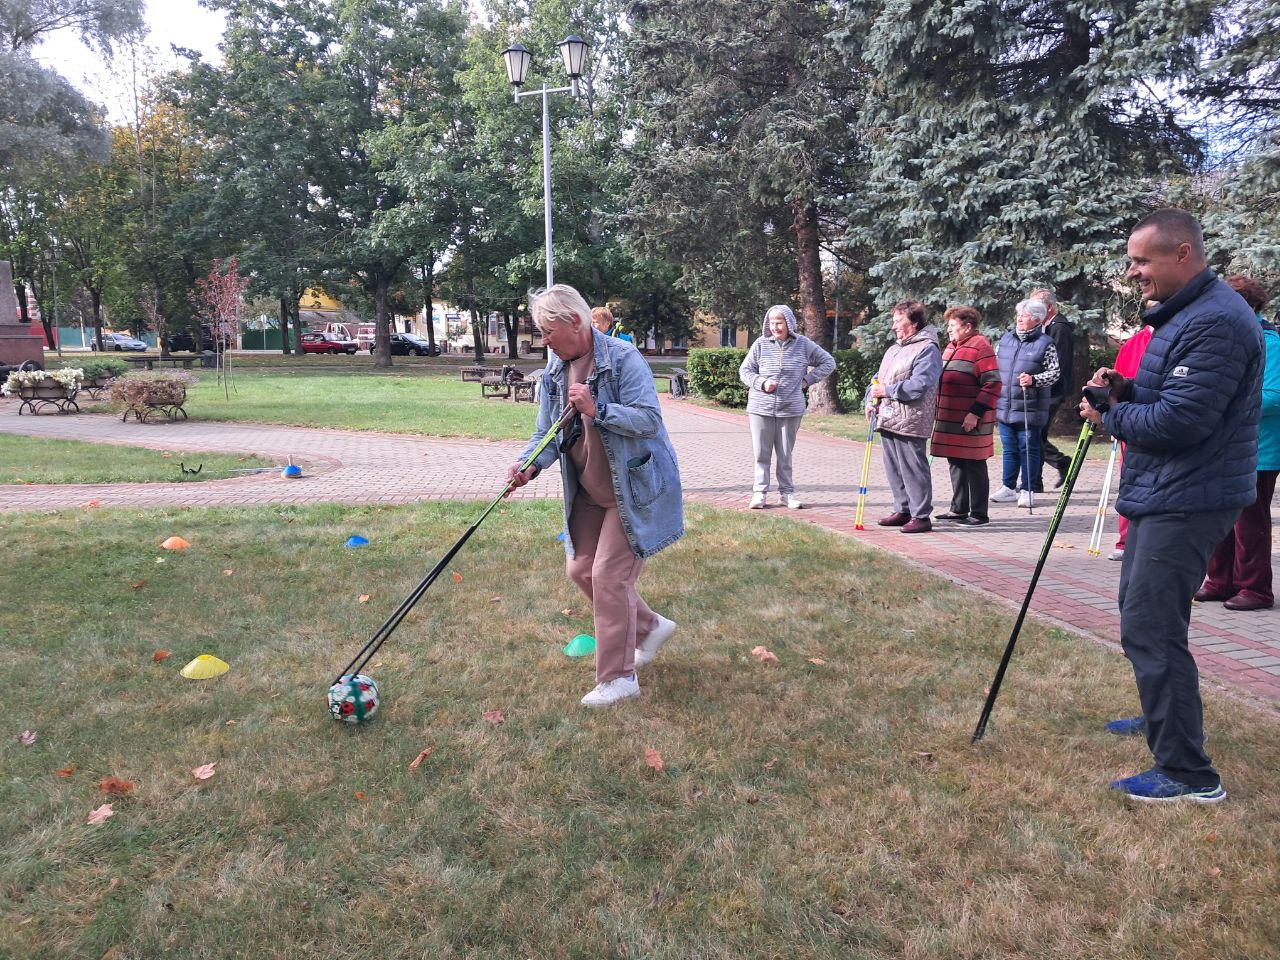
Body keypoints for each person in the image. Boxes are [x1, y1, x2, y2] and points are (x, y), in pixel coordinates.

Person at [1080, 209, 1263, 804]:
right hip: (1170, 489)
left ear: (1182, 253)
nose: (1133, 272)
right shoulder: (1189, 311)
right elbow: (1172, 396)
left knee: (1151, 625)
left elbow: (1180, 422)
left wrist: (1111, 414)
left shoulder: (1215, 321)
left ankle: (1189, 774)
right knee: (1145, 615)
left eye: (1142, 260)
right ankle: (1164, 714)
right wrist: (1126, 390)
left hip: (1189, 495)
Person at [507, 284, 683, 708]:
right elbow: (546, 431)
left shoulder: (623, 359)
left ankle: (619, 678)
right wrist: (529, 464)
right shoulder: (555, 368)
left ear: (574, 322)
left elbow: (648, 421)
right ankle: (649, 627)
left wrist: (597, 409)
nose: (544, 341)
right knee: (580, 569)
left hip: (633, 490)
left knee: (608, 577)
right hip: (587, 489)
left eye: (547, 331)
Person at [1195, 275, 1278, 611]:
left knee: (1249, 522)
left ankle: (1255, 588)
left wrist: (1222, 399)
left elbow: (1273, 396)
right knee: (1219, 515)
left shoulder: (1269, 342)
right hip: (1225, 446)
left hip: (1260, 448)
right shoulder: (1227, 338)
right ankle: (1220, 581)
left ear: (1247, 305)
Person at [738, 304, 835, 509]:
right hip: (760, 408)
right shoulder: (760, 344)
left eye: (779, 322)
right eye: (772, 323)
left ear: (789, 323)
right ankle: (759, 493)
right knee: (761, 454)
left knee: (785, 455)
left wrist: (807, 380)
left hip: (791, 408)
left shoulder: (803, 344)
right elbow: (745, 371)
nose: (775, 327)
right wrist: (762, 383)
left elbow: (828, 362)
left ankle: (787, 494)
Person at [867, 300, 942, 533]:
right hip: (888, 416)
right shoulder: (894, 349)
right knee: (894, 467)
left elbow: (920, 385)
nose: (893, 326)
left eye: (898, 321)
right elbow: (878, 378)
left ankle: (921, 516)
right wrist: (870, 399)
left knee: (912, 468)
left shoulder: (927, 348)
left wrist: (886, 391)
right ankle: (903, 510)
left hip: (912, 418)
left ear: (914, 322)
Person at [931, 306, 1001, 526]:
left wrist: (975, 413)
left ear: (968, 327)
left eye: (953, 325)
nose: (949, 329)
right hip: (950, 417)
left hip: (971, 418)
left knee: (974, 463)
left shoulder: (981, 346)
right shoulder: (951, 347)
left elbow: (993, 383)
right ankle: (958, 509)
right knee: (956, 461)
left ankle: (979, 514)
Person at [991, 299, 1059, 509]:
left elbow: (1054, 373)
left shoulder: (1045, 343)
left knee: (1028, 449)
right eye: (1019, 315)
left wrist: (1034, 380)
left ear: (1037, 320)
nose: (1020, 319)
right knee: (1009, 449)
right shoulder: (1005, 339)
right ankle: (1008, 487)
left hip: (1030, 407)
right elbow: (994, 366)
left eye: (1025, 315)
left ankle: (1028, 489)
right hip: (1005, 405)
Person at [1107, 323, 1154, 561]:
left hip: (1163, 425)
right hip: (1132, 425)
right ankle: (1126, 541)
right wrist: (1114, 418)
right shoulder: (1132, 344)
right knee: (1130, 480)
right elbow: (1117, 386)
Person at [1030, 288, 1074, 491]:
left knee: (1035, 435)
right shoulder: (1044, 327)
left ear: (1048, 308)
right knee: (1036, 435)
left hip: (1052, 391)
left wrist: (1041, 381)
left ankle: (1060, 464)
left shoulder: (1060, 328)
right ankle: (1037, 479)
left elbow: (1059, 363)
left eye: (1035, 306)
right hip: (1043, 390)